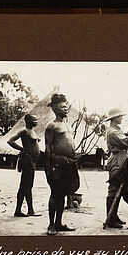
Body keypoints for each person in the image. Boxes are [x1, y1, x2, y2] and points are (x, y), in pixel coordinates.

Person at [43, 93, 80, 235]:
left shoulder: (66, 124)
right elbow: (48, 148)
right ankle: (51, 225)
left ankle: (59, 223)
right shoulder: (51, 126)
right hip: (57, 165)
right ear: (54, 108)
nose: (65, 109)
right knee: (55, 194)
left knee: (64, 194)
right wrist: (48, 169)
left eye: (66, 107)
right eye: (62, 107)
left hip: (69, 164)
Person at [103, 107, 128, 229]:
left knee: (119, 188)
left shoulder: (116, 130)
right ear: (114, 118)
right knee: (114, 188)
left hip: (120, 157)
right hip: (117, 159)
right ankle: (110, 218)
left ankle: (113, 215)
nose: (122, 118)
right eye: (120, 116)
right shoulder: (113, 132)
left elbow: (126, 138)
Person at [6, 113, 42, 218]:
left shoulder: (32, 131)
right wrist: (22, 149)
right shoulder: (24, 131)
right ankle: (29, 210)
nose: (36, 121)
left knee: (25, 186)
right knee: (27, 186)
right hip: (27, 160)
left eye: (36, 119)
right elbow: (10, 141)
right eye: (34, 120)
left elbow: (32, 142)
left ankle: (20, 210)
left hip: (32, 161)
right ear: (27, 121)